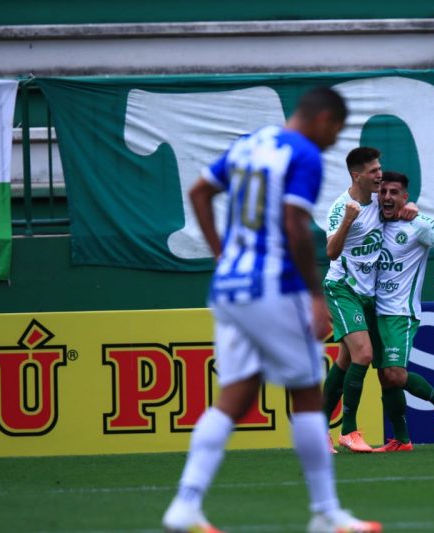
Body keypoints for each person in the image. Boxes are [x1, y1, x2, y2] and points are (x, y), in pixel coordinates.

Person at [161, 87, 382, 533]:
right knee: (304, 395)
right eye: (334, 132)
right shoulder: (303, 155)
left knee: (235, 397)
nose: (331, 142)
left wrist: (222, 254)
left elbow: (200, 192)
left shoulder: (250, 143)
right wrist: (316, 297)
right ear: (322, 119)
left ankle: (185, 504)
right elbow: (293, 226)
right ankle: (326, 513)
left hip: (230, 287)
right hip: (273, 288)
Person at [321, 147, 416, 453]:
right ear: (356, 175)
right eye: (374, 171)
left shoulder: (377, 200)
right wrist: (349, 220)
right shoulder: (341, 208)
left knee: (345, 361)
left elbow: (398, 208)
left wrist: (410, 208)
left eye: (379, 168)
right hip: (341, 288)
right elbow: (331, 253)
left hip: (368, 295)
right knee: (363, 354)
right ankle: (348, 431)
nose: (380, 175)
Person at [371, 171, 434, 452]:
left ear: (405, 197)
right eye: (383, 191)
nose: (387, 197)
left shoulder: (419, 225)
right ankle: (401, 439)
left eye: (394, 192)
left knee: (396, 375)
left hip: (400, 313)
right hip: (373, 311)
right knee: (385, 378)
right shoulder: (371, 220)